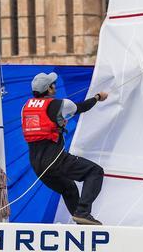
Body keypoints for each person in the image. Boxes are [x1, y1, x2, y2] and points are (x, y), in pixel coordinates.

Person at [22, 72, 108, 225]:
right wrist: (97, 97)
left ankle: (82, 222)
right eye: (53, 84)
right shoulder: (60, 104)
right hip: (55, 160)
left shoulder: (25, 108)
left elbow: (44, 123)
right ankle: (83, 212)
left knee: (69, 188)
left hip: (37, 166)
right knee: (95, 172)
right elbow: (82, 107)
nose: (55, 86)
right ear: (49, 89)